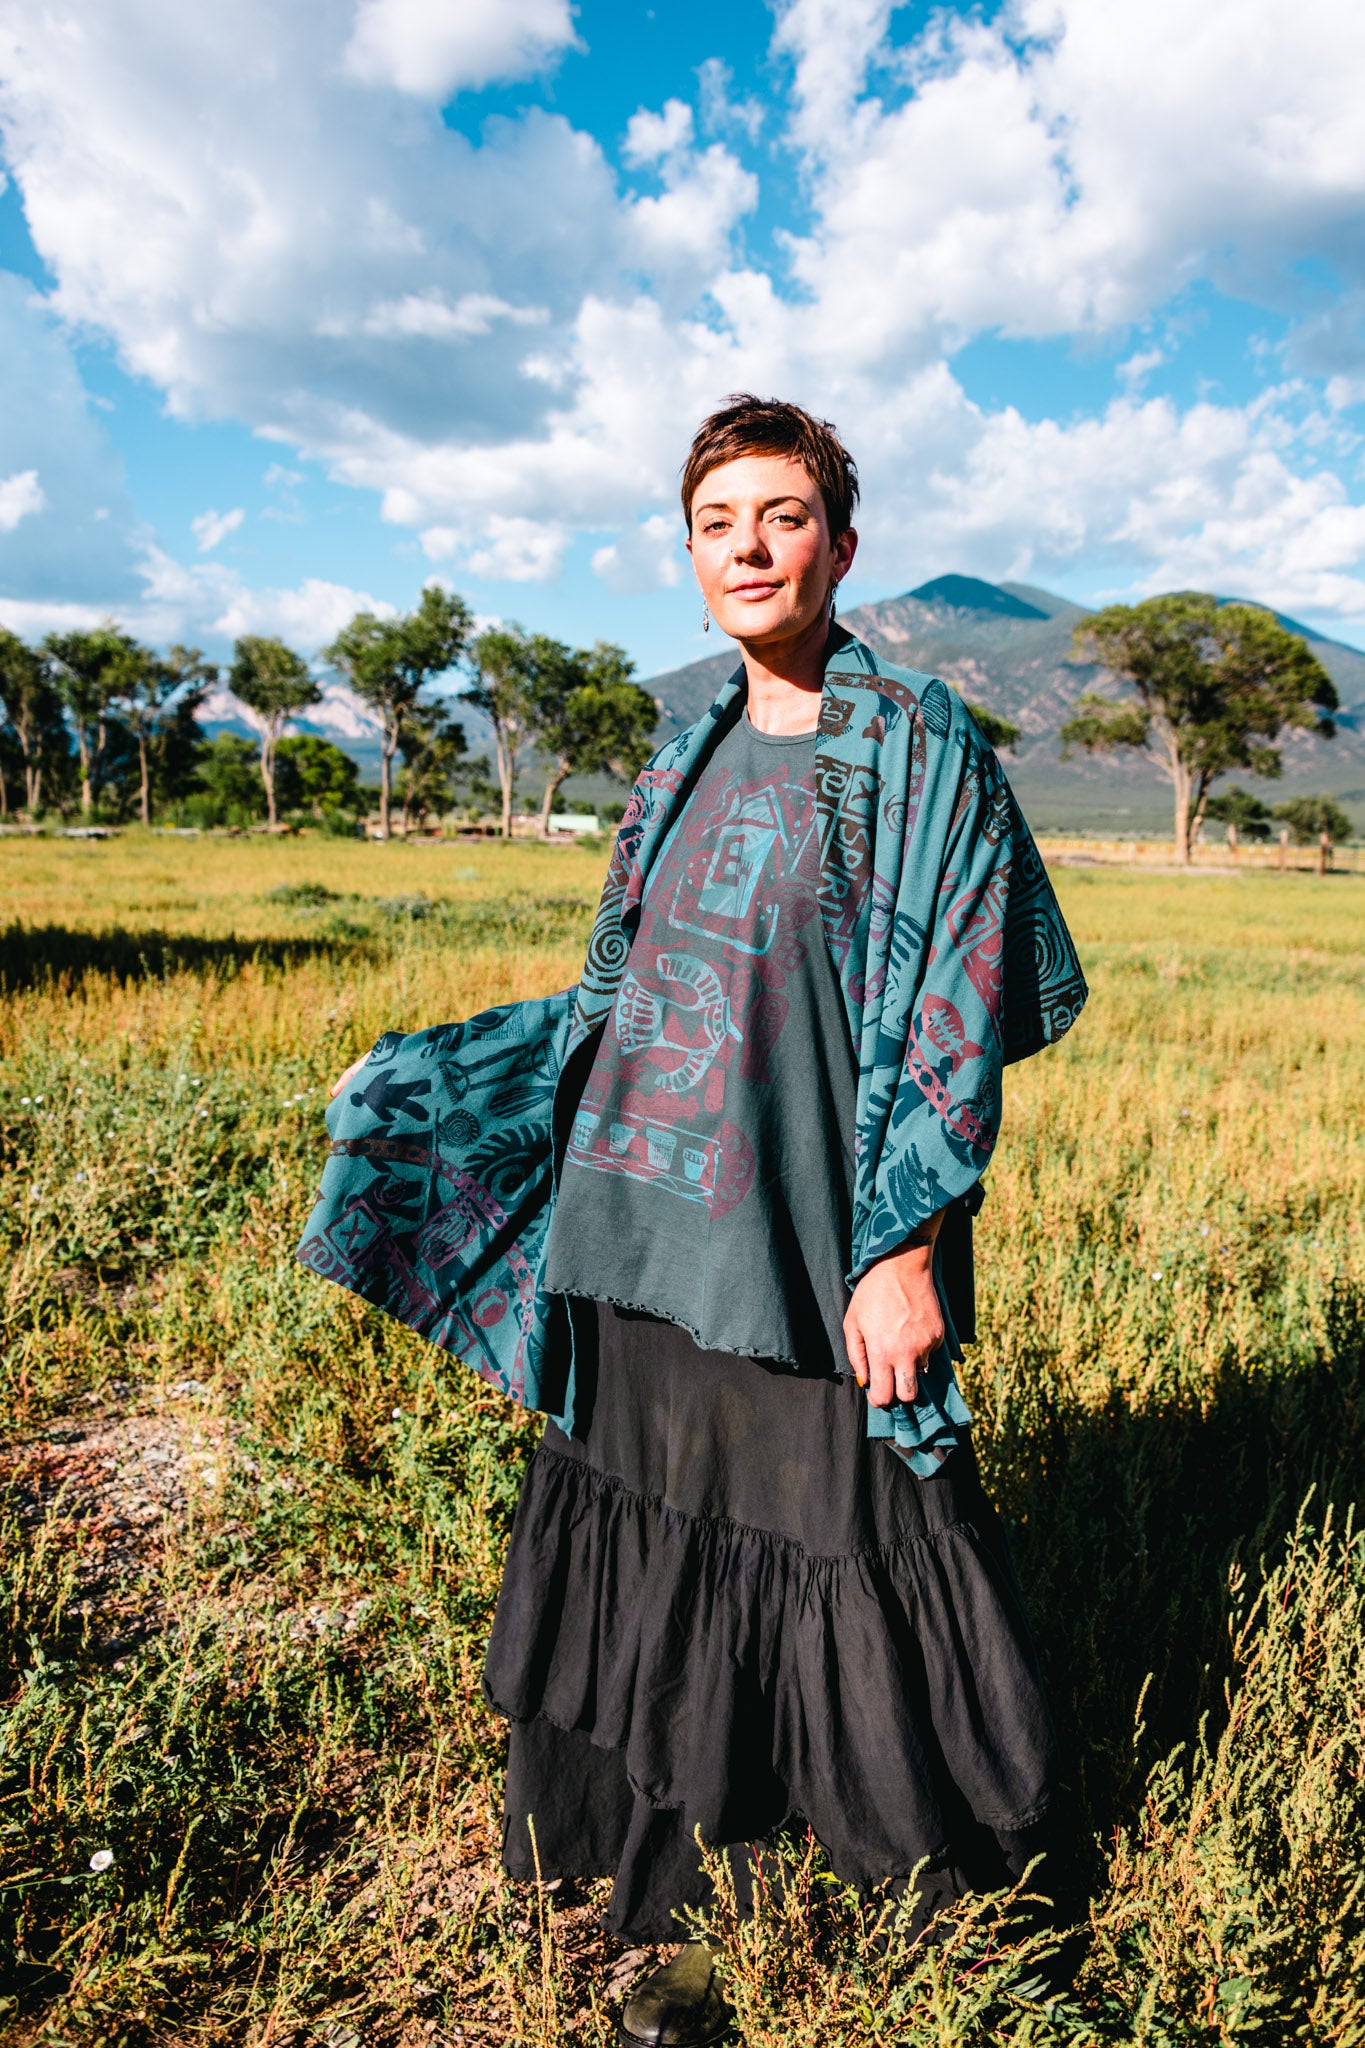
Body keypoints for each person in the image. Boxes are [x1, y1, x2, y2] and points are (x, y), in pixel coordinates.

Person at [308, 396, 1088, 2048]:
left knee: (854, 1541)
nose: (749, 547)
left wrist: (902, 1250)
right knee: (659, 1533)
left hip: (807, 1238)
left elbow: (956, 1015)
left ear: (839, 546)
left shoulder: (914, 742)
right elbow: (624, 995)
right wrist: (438, 1083)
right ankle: (680, 1915)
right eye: (717, 522)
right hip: (639, 1229)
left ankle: (963, 1922)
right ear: (687, 552)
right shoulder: (681, 749)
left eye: (782, 516)